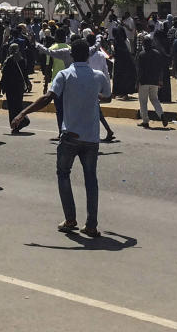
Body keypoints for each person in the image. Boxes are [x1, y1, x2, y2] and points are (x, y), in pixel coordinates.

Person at [12, 39, 110, 237]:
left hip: (70, 135)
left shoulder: (64, 75)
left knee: (63, 174)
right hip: (91, 137)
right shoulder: (98, 76)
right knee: (91, 179)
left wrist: (23, 113)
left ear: (72, 55)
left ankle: (70, 218)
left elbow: (47, 98)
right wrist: (93, 96)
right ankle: (91, 224)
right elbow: (107, 97)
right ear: (88, 55)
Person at [137, 34, 167, 128]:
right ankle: (161, 114)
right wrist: (160, 80)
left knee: (143, 101)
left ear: (144, 44)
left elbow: (139, 70)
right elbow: (160, 68)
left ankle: (145, 121)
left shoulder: (141, 55)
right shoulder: (157, 53)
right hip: (154, 81)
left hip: (144, 81)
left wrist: (137, 82)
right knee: (154, 99)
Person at [0, 43, 31, 133]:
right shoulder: (22, 60)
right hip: (19, 87)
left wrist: (1, 86)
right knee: (18, 105)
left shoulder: (8, 60)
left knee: (12, 107)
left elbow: (5, 75)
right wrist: (28, 83)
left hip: (10, 88)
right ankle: (21, 122)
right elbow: (25, 74)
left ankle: (16, 125)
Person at [110, 26, 136, 99]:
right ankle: (119, 92)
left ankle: (122, 93)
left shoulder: (121, 41)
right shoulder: (118, 41)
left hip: (123, 62)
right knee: (120, 77)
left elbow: (125, 51)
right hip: (122, 61)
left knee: (122, 77)